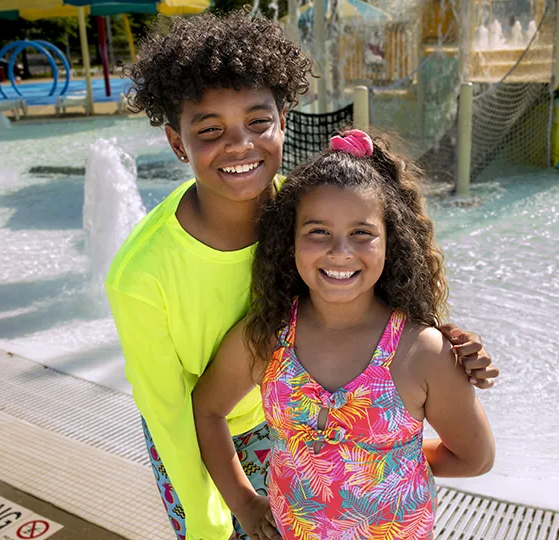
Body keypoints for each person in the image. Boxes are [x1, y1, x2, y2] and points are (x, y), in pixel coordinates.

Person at [106, 11, 499, 540]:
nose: (240, 145)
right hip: (208, 433)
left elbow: (384, 291)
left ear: (284, 118)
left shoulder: (315, 209)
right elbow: (172, 412)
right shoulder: (140, 276)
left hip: (295, 426)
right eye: (209, 130)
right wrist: (220, 514)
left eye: (257, 122)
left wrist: (449, 340)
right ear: (178, 142)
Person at [193, 131, 495, 539]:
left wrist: (387, 458)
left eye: (361, 233)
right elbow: (207, 410)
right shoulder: (267, 336)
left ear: (392, 242)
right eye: (318, 231)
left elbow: (476, 458)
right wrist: (244, 502)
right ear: (290, 241)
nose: (340, 251)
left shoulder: (421, 352)